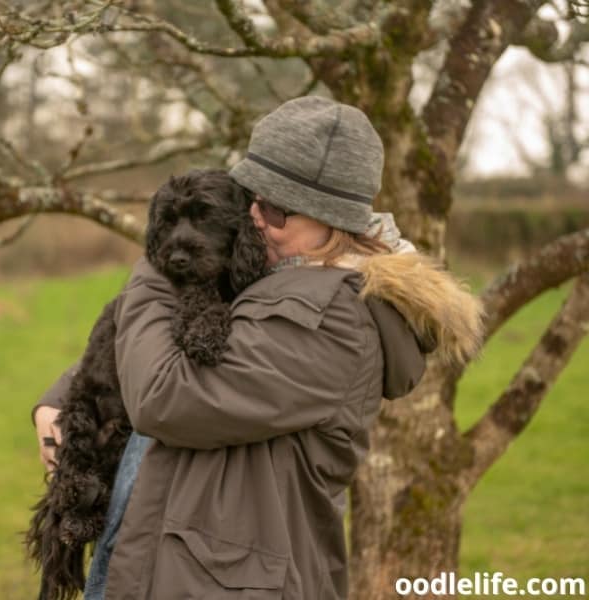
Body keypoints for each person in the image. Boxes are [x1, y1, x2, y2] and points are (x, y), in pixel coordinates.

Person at [32, 96, 483, 599]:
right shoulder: (279, 272)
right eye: (249, 196)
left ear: (330, 219)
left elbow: (165, 396)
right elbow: (157, 344)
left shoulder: (333, 317)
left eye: (272, 207)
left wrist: (158, 262)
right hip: (164, 563)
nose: (253, 216)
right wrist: (65, 394)